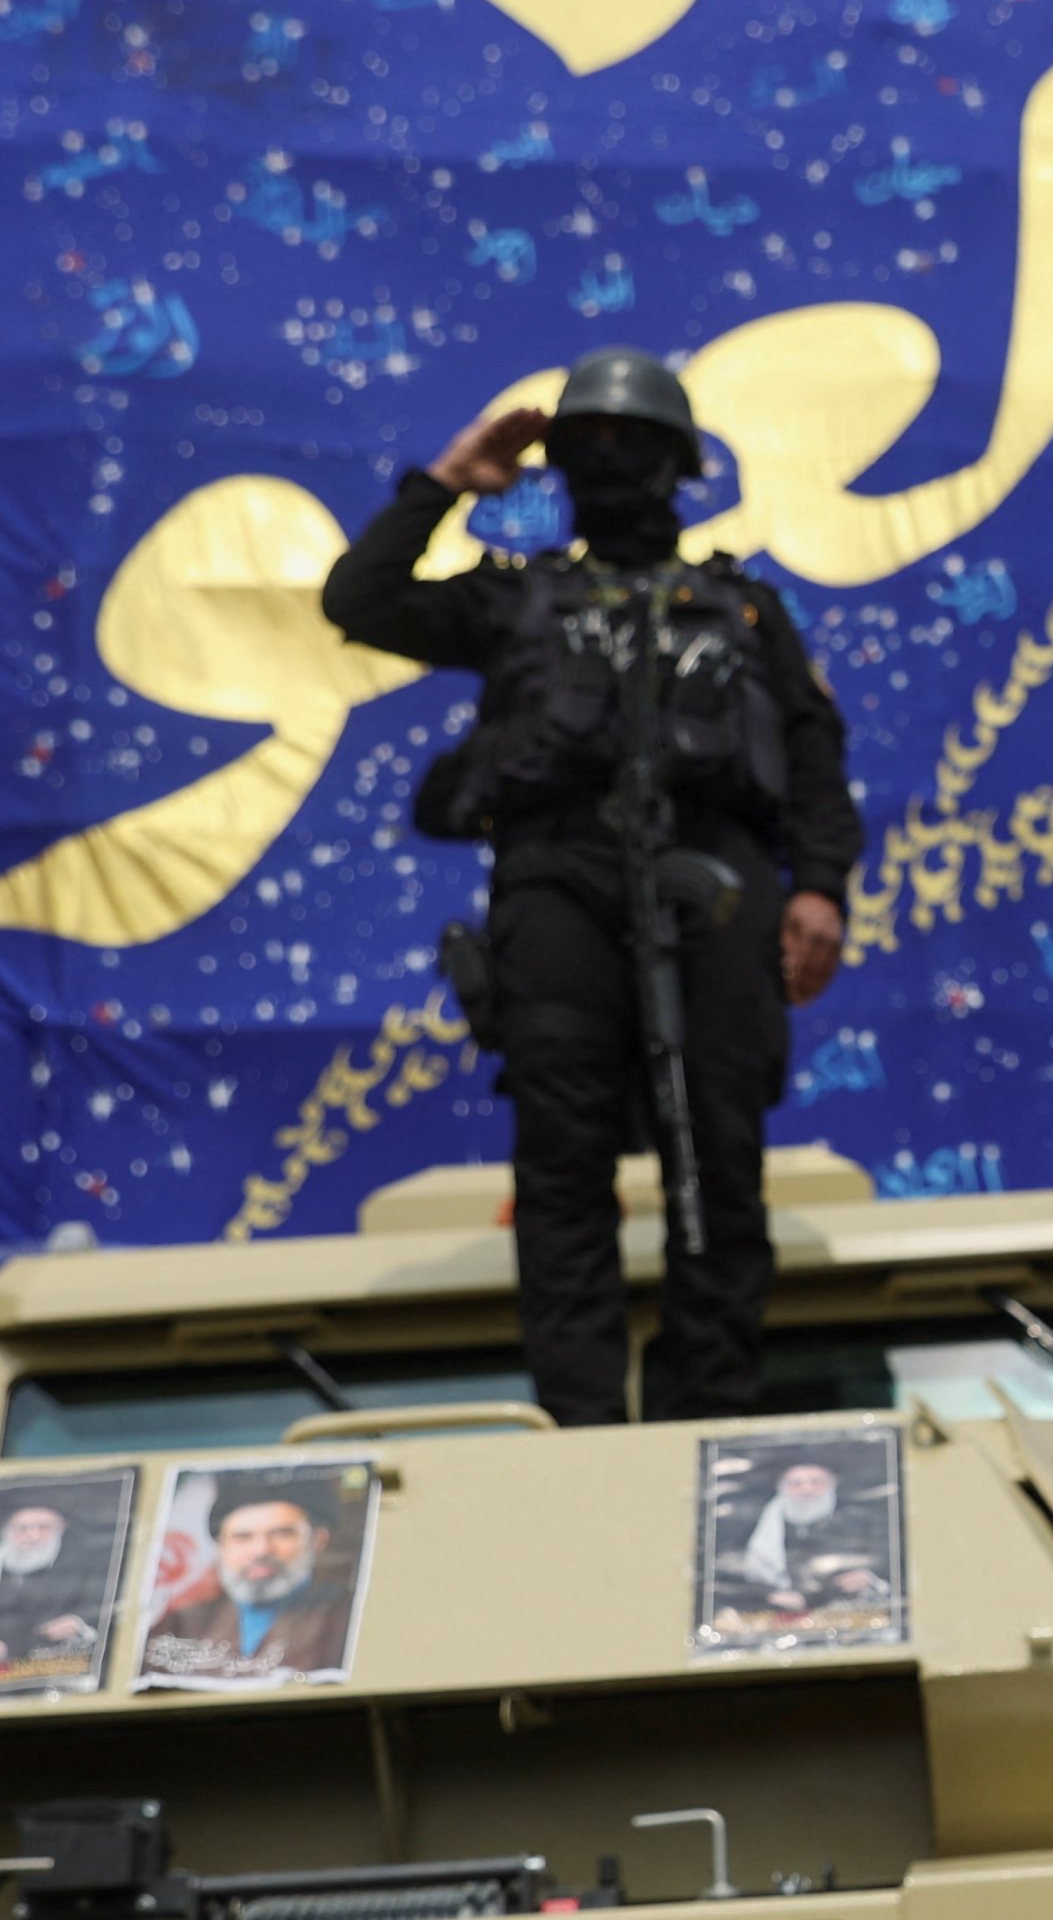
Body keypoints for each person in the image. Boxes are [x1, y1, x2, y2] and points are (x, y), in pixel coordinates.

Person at [320, 347, 862, 1428]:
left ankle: (707, 1421)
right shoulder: (519, 598)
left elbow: (811, 756)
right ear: (561, 466)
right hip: (558, 891)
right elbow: (360, 599)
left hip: (717, 897)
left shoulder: (747, 609)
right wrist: (447, 484)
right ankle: (581, 1431)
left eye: (635, 445)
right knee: (562, 1169)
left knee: (720, 1165)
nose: (613, 464)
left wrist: (821, 891)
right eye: (591, 447)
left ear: (681, 465)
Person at [144, 1485, 355, 1680]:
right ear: (221, 1547)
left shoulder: (348, 1617)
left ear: (318, 1541)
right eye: (242, 1537)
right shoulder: (180, 1624)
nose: (261, 1550)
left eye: (281, 1534)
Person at [729, 1457, 889, 1617]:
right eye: (796, 1483)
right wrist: (769, 1595)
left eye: (817, 1482)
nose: (807, 1490)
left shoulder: (860, 1522)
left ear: (832, 1485)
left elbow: (883, 1569)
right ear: (781, 1487)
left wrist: (871, 1579)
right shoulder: (753, 1524)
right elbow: (730, 1577)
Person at [0, 1501, 91, 1665]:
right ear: (7, 1532)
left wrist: (78, 1625)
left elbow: (99, 1612)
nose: (33, 1537)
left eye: (44, 1528)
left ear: (61, 1528)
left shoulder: (84, 1568)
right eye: (22, 1529)